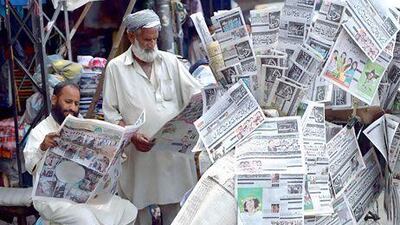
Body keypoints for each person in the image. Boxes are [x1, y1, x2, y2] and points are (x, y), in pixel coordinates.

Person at [102, 9, 201, 225]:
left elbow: (196, 95)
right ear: (131, 36)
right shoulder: (116, 68)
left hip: (171, 155)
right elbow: (111, 114)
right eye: (147, 39)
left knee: (176, 211)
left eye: (155, 39)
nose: (152, 44)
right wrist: (132, 136)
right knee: (138, 213)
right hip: (139, 156)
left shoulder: (170, 62)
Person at [24, 82, 137, 225]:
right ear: (54, 100)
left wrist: (115, 152)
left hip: (83, 193)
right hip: (52, 199)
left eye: (76, 104)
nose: (72, 108)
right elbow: (30, 167)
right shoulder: (40, 131)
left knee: (127, 210)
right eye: (68, 102)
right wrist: (42, 147)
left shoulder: (82, 124)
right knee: (86, 220)